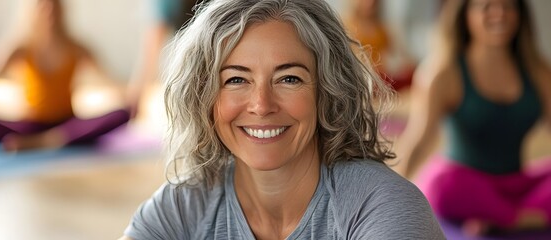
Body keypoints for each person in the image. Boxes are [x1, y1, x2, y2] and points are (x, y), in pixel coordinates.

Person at [121, 0, 444, 239]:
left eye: (289, 79)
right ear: (204, 98)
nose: (261, 105)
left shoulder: (383, 207)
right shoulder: (181, 207)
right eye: (236, 80)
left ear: (327, 92)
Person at [396, 0, 551, 235]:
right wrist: (391, 197)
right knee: (440, 183)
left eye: (509, 6)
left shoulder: (538, 71)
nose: (499, 14)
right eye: (486, 6)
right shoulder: (443, 72)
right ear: (465, 15)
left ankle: (506, 219)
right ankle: (519, 216)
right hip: (464, 185)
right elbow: (419, 140)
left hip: (516, 184)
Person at [0, 0, 131, 152]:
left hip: (66, 124)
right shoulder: (21, 47)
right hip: (30, 126)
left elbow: (107, 78)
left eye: (54, 6)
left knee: (122, 114)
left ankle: (47, 141)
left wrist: (130, 98)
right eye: (43, 6)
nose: (49, 11)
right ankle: (48, 140)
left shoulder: (76, 47)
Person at [343, 0, 415, 92]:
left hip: (382, 77)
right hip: (360, 77)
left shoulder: (383, 28)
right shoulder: (346, 25)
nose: (370, 3)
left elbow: (401, 55)